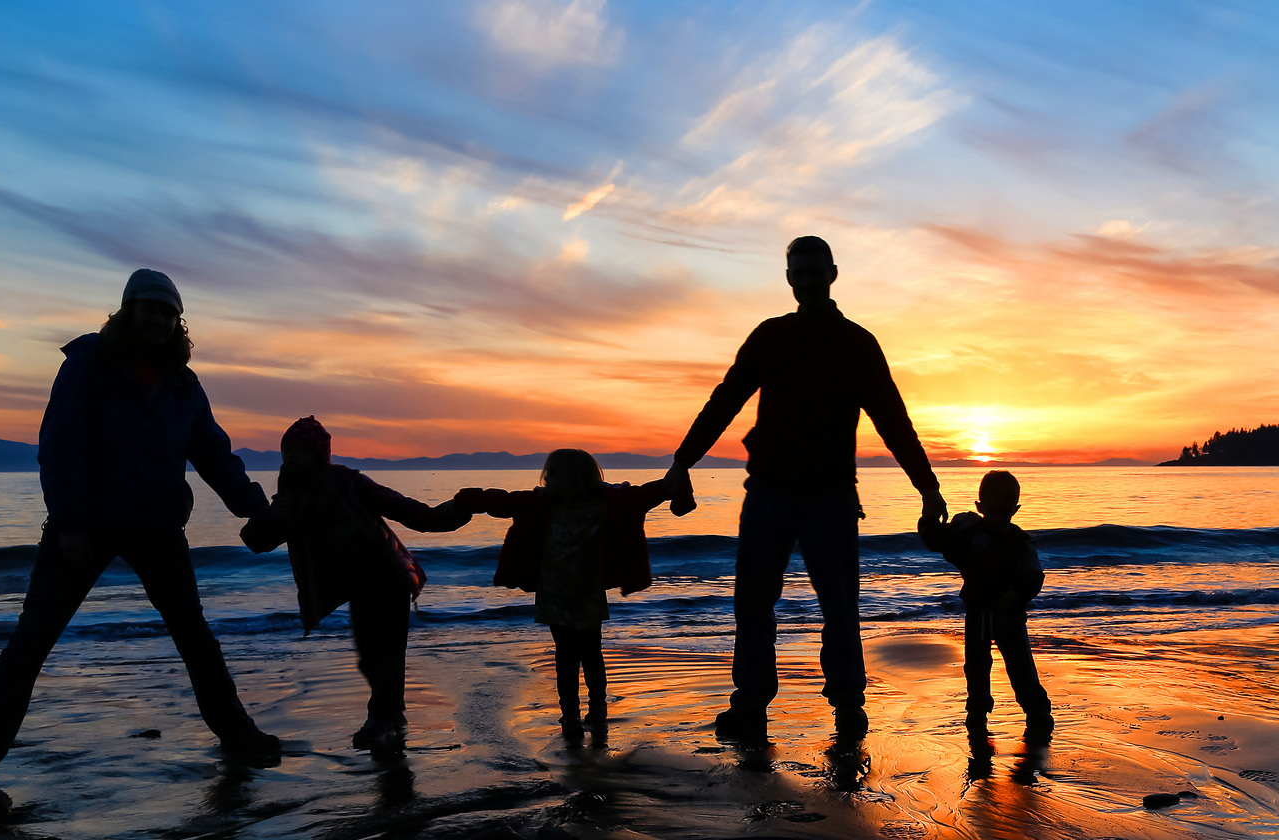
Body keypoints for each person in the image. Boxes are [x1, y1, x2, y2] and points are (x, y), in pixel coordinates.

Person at [0, 269, 279, 787]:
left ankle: (237, 736)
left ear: (177, 322)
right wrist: (69, 524)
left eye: (168, 312)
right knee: (32, 641)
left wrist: (254, 507)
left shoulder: (183, 382)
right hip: (86, 525)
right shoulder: (89, 366)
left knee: (195, 637)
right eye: (150, 308)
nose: (159, 319)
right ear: (128, 309)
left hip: (157, 525)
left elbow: (213, 453)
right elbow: (61, 448)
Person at [664, 235, 948, 740]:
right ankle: (750, 704)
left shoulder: (858, 343)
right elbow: (725, 400)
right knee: (753, 601)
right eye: (799, 271)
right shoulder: (770, 336)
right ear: (790, 278)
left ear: (832, 274)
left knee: (839, 603)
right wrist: (682, 461)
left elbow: (893, 420)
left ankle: (847, 706)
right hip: (769, 489)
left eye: (816, 271)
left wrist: (927, 487)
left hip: (830, 495)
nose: (808, 279)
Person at [239, 417, 471, 756]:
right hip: (355, 585)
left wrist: (461, 509)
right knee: (370, 657)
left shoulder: (349, 483)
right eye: (286, 449)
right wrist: (274, 515)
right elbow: (257, 541)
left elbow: (411, 512)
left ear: (318, 453)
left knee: (385, 651)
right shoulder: (292, 496)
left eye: (299, 449)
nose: (291, 456)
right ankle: (393, 713)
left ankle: (380, 719)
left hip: (387, 576)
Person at [456, 451, 672, 733]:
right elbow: (501, 501)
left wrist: (674, 481)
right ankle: (583, 711)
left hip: (571, 591)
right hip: (566, 590)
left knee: (575, 654)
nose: (546, 477)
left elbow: (644, 495)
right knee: (582, 653)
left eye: (553, 472)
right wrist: (469, 500)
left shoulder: (588, 501)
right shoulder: (558, 502)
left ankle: (583, 711)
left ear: (565, 475)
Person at [919, 469, 1053, 737]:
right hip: (978, 610)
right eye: (994, 511)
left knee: (1020, 663)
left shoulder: (1020, 541)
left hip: (1009, 614)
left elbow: (1034, 576)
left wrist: (1016, 595)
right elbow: (936, 539)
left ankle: (1037, 711)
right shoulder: (968, 531)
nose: (1000, 518)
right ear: (980, 507)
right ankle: (977, 711)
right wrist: (930, 513)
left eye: (1006, 512)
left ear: (1015, 509)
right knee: (976, 664)